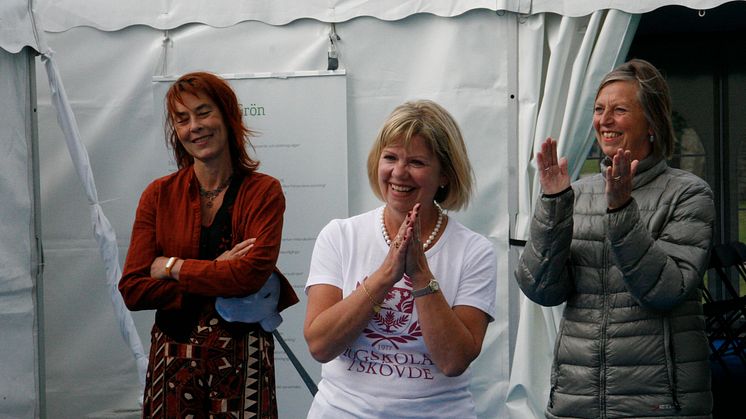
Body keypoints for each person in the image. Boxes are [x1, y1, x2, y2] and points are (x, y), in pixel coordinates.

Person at [515, 59, 714, 418]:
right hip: (577, 399)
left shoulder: (688, 194)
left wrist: (622, 210)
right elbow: (541, 289)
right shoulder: (576, 193)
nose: (604, 120)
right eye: (598, 109)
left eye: (619, 110)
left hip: (658, 402)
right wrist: (554, 205)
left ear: (651, 122)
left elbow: (666, 290)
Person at [119, 71, 298, 418]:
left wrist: (171, 267)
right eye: (182, 119)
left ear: (228, 117)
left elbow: (248, 277)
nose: (194, 127)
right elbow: (133, 289)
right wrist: (218, 272)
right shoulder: (158, 195)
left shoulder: (263, 191)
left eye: (203, 113)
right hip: (172, 359)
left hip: (243, 359)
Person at [303, 100, 497, 418]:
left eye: (417, 162)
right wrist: (385, 276)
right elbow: (320, 346)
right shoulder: (340, 235)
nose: (399, 173)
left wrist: (420, 275)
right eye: (390, 157)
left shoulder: (474, 251)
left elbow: (453, 361)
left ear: (445, 175)